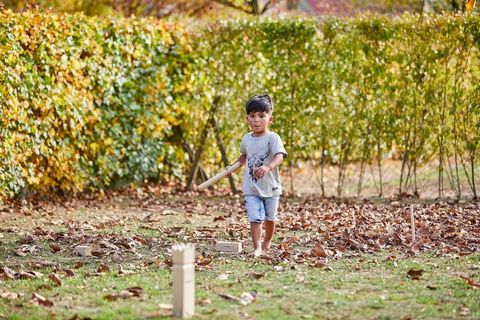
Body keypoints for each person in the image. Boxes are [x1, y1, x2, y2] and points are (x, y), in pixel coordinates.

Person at [233, 94, 287, 257]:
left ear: (270, 119)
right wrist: (233, 167)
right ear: (247, 118)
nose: (256, 120)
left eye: (261, 116)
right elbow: (244, 156)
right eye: (252, 116)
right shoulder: (246, 139)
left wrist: (268, 166)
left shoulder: (273, 138)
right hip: (251, 187)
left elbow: (280, 155)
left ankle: (267, 241)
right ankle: (257, 247)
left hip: (270, 187)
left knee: (270, 218)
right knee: (255, 218)